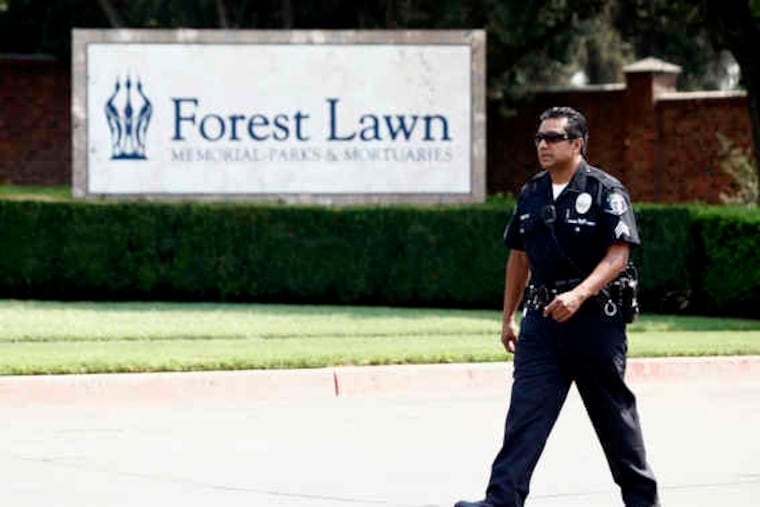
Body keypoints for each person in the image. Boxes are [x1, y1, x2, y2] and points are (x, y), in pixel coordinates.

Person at [455, 107, 659, 507]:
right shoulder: (531, 192)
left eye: (552, 138)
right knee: (524, 416)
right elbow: (519, 258)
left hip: (595, 324)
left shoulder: (606, 191)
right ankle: (501, 499)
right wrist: (507, 318)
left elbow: (619, 256)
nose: (543, 145)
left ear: (577, 144)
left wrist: (579, 294)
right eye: (539, 139)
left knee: (614, 420)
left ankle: (642, 501)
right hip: (542, 325)